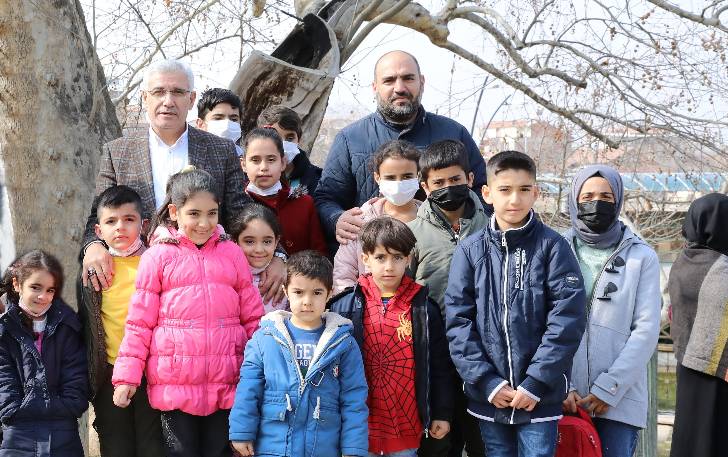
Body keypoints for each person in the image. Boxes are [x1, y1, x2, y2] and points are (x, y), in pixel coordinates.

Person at [80, 58, 286, 305]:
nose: (168, 101)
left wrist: (279, 256)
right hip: (137, 280)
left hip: (205, 282)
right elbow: (98, 213)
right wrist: (92, 246)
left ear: (191, 99)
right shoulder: (118, 152)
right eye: (158, 92)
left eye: (178, 92)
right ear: (145, 98)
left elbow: (242, 214)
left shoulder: (220, 150)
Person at [111, 167, 265, 457]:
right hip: (175, 388)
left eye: (212, 213)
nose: (204, 223)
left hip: (227, 384)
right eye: (194, 213)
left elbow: (254, 319)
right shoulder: (157, 257)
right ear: (174, 211)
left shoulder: (232, 253)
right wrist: (126, 378)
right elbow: (139, 323)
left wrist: (266, 370)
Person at [445, 150, 586, 457]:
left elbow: (567, 320)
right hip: (490, 396)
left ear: (536, 192)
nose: (514, 200)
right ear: (487, 193)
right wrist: (488, 382)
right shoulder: (470, 251)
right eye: (505, 190)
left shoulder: (553, 247)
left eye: (524, 190)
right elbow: (458, 322)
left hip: (539, 397)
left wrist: (535, 382)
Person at [315, 50, 487, 251]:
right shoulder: (350, 139)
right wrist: (336, 218)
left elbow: (484, 190)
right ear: (375, 87)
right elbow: (326, 198)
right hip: (375, 266)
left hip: (442, 261)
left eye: (408, 78)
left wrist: (466, 227)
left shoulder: (454, 133)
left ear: (421, 82)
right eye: (389, 80)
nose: (399, 88)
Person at [329, 217, 453, 457]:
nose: (389, 266)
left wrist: (441, 413)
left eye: (397, 257)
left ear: (408, 259)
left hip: (404, 426)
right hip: (357, 429)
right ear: (365, 259)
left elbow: (439, 367)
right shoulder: (345, 307)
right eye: (380, 257)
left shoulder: (424, 310)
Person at [562, 165, 661, 457]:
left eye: (606, 196)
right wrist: (559, 386)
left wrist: (610, 388)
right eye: (588, 195)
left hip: (620, 401)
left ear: (617, 200)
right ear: (574, 199)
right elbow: (543, 323)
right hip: (564, 399)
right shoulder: (555, 248)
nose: (596, 202)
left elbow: (645, 330)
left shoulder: (642, 256)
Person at [229, 250, 369, 457]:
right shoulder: (265, 338)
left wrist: (353, 448)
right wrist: (241, 432)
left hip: (323, 448)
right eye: (299, 292)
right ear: (286, 291)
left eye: (317, 293)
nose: (307, 301)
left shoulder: (343, 343)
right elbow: (248, 388)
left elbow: (354, 398)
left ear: (330, 293)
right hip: (273, 447)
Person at [408, 139, 487, 457]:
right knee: (439, 446)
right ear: (424, 186)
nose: (447, 187)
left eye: (455, 180)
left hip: (484, 358)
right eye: (438, 182)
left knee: (485, 444)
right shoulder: (411, 234)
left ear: (470, 179)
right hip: (434, 360)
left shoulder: (494, 229)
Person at [77, 185, 165, 457]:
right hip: (109, 374)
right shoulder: (94, 271)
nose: (120, 228)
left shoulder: (156, 263)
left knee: (153, 447)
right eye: (111, 221)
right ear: (98, 231)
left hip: (152, 374)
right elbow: (87, 325)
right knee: (116, 447)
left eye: (129, 220)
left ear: (144, 224)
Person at [0, 250, 88, 457]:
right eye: (35, 287)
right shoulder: (4, 331)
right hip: (18, 433)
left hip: (63, 433)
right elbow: (4, 382)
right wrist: (15, 409)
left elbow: (76, 383)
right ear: (17, 285)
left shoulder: (68, 327)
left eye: (50, 290)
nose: (43, 297)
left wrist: (63, 407)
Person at [669, 193, 728, 457]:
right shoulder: (722, 267)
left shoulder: (682, 261)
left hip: (688, 363)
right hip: (721, 371)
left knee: (692, 435)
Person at [333, 140, 422, 294]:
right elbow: (344, 271)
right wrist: (352, 307)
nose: (399, 183)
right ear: (377, 177)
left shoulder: (431, 220)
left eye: (407, 176)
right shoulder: (361, 220)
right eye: (391, 177)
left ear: (418, 176)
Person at [243, 128, 328, 256]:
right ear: (243, 164)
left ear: (283, 162)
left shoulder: (303, 204)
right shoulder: (238, 204)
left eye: (271, 160)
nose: (264, 167)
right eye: (255, 160)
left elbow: (319, 253)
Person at [229, 203, 289, 313]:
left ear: (276, 242)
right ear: (235, 241)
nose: (259, 249)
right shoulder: (226, 277)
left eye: (267, 241)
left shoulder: (288, 278)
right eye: (249, 242)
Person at [257, 104, 322, 195]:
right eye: (275, 136)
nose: (283, 144)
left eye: (290, 138)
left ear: (298, 140)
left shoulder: (317, 181)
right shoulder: (249, 177)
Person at [195, 88, 244, 157]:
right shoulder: (190, 159)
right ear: (200, 124)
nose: (227, 125)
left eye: (233, 119)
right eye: (218, 118)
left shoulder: (248, 161)